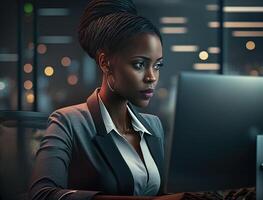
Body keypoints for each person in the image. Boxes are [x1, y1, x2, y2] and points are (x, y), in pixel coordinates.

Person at [29, 0, 165, 199]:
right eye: (139, 64)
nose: (151, 77)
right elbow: (41, 194)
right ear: (105, 63)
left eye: (157, 65)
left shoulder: (154, 126)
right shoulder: (68, 122)